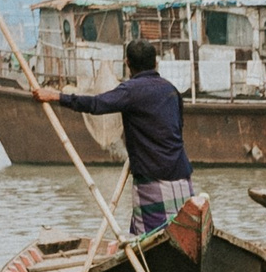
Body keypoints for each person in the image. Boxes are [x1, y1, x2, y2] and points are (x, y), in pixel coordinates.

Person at [33, 39, 193, 234]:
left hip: (153, 179)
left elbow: (95, 104)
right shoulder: (172, 90)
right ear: (155, 63)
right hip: (182, 176)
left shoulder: (131, 91)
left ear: (127, 64)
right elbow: (178, 127)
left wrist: (56, 96)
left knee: (150, 236)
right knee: (182, 230)